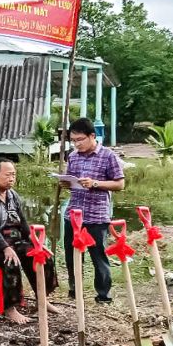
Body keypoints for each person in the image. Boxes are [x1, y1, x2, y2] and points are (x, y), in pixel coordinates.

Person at [0, 157, 59, 324]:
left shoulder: (13, 196)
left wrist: (36, 243)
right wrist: (5, 247)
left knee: (42, 256)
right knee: (11, 261)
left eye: (13, 175)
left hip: (14, 241)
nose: (11, 178)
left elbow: (23, 223)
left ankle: (42, 299)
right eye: (7, 175)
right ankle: (10, 308)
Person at [62, 117, 126, 304]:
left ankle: (103, 295)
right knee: (72, 255)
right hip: (74, 214)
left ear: (92, 136)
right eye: (73, 141)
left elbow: (120, 183)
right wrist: (66, 182)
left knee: (98, 256)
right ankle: (75, 290)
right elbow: (72, 181)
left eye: (80, 139)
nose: (77, 144)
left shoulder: (108, 155)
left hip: (96, 215)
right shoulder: (73, 156)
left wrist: (95, 183)